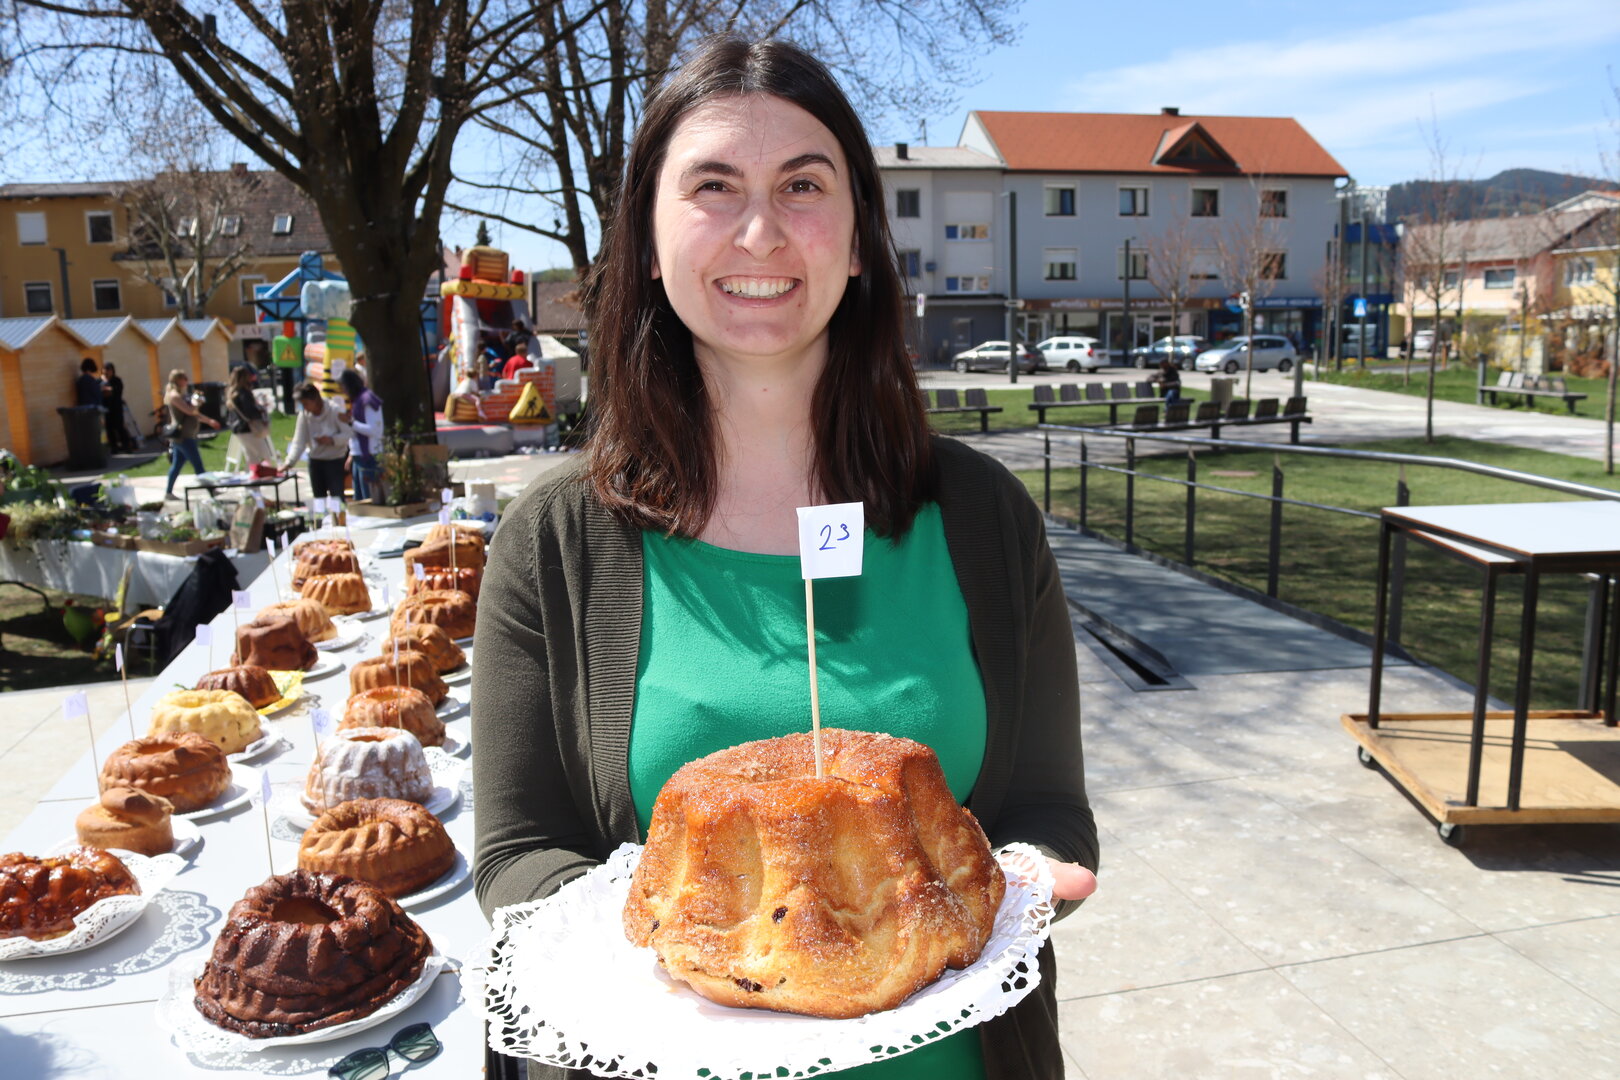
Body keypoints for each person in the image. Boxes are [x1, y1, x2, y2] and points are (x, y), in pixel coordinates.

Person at [472, 37, 1097, 1080]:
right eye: (713, 186)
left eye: (803, 185)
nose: (760, 230)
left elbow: (1047, 809)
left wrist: (1024, 883)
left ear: (857, 241)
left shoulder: (985, 517)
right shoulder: (554, 542)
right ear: (650, 238)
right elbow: (517, 853)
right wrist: (668, 967)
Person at [281, 380, 353, 501]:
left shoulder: (334, 410)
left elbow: (348, 434)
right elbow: (299, 441)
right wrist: (289, 462)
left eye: (306, 403)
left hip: (335, 460)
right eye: (302, 404)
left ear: (315, 399)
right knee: (319, 499)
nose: (304, 407)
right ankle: (320, 514)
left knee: (337, 498)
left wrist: (332, 440)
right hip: (315, 461)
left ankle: (339, 514)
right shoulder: (304, 415)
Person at [162, 369, 220, 501]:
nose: (186, 381)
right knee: (198, 464)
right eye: (184, 378)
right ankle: (212, 491)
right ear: (177, 380)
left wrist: (209, 421)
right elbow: (190, 411)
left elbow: (194, 414)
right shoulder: (174, 396)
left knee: (177, 466)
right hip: (183, 436)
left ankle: (168, 493)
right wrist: (196, 403)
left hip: (184, 435)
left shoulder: (181, 395)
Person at [338, 368, 383, 502]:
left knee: (369, 499)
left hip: (369, 456)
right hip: (359, 455)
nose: (343, 391)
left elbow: (375, 430)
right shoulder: (358, 400)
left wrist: (351, 422)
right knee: (359, 499)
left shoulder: (367, 400)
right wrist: (351, 455)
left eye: (343, 387)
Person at [227, 365, 275, 467]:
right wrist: (260, 411)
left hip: (239, 428)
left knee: (251, 455)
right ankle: (265, 472)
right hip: (249, 428)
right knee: (264, 454)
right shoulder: (244, 393)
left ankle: (254, 472)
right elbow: (250, 411)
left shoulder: (233, 393)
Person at [101, 362, 133, 453]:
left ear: (112, 371)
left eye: (108, 370)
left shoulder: (117, 380)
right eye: (105, 370)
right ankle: (114, 448)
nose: (107, 372)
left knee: (119, 427)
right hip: (106, 409)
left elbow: (116, 390)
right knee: (109, 429)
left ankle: (126, 446)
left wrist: (106, 387)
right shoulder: (100, 381)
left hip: (116, 408)